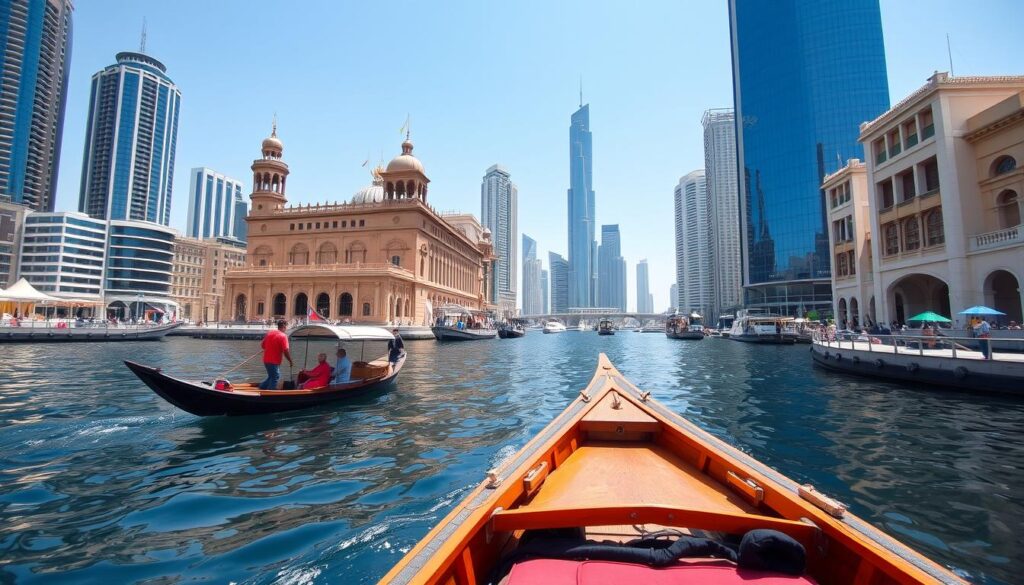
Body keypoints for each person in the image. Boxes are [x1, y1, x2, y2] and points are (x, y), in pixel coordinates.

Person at [259, 319, 293, 389]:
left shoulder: (269, 333)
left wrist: (270, 346)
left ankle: (261, 387)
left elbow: (263, 346)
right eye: (286, 327)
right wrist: (290, 361)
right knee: (275, 377)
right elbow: (286, 351)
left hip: (266, 360)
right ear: (284, 326)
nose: (286, 328)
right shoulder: (283, 336)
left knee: (271, 376)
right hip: (273, 361)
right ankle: (269, 393)